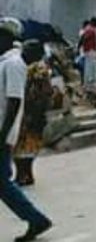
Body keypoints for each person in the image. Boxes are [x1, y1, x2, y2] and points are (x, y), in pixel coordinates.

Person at [0, 21, 53, 241]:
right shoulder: (7, 61)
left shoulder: (13, 63)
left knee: (3, 182)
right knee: (3, 182)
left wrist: (2, 136)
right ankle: (36, 219)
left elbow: (14, 101)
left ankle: (36, 219)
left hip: (2, 132)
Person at [14, 40, 52, 186]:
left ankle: (21, 175)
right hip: (37, 112)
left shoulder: (33, 68)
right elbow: (48, 92)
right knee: (32, 143)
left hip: (28, 111)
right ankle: (28, 174)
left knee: (21, 144)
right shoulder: (43, 68)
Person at [79, 17, 96, 89]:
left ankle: (89, 83)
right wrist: (79, 47)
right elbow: (83, 38)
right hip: (90, 50)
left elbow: (83, 38)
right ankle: (88, 84)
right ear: (93, 22)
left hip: (89, 50)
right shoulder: (90, 29)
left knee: (91, 67)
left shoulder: (89, 29)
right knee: (90, 67)